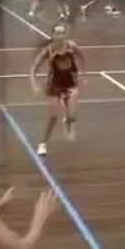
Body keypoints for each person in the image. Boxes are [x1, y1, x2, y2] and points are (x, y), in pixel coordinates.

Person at [28, 24, 85, 157]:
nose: (60, 36)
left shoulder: (71, 46)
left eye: (62, 33)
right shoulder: (48, 50)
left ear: (65, 34)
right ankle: (42, 144)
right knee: (53, 117)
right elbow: (33, 69)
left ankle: (68, 121)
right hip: (54, 86)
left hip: (70, 85)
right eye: (57, 33)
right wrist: (34, 85)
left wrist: (83, 74)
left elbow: (82, 57)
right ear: (53, 35)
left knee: (72, 116)